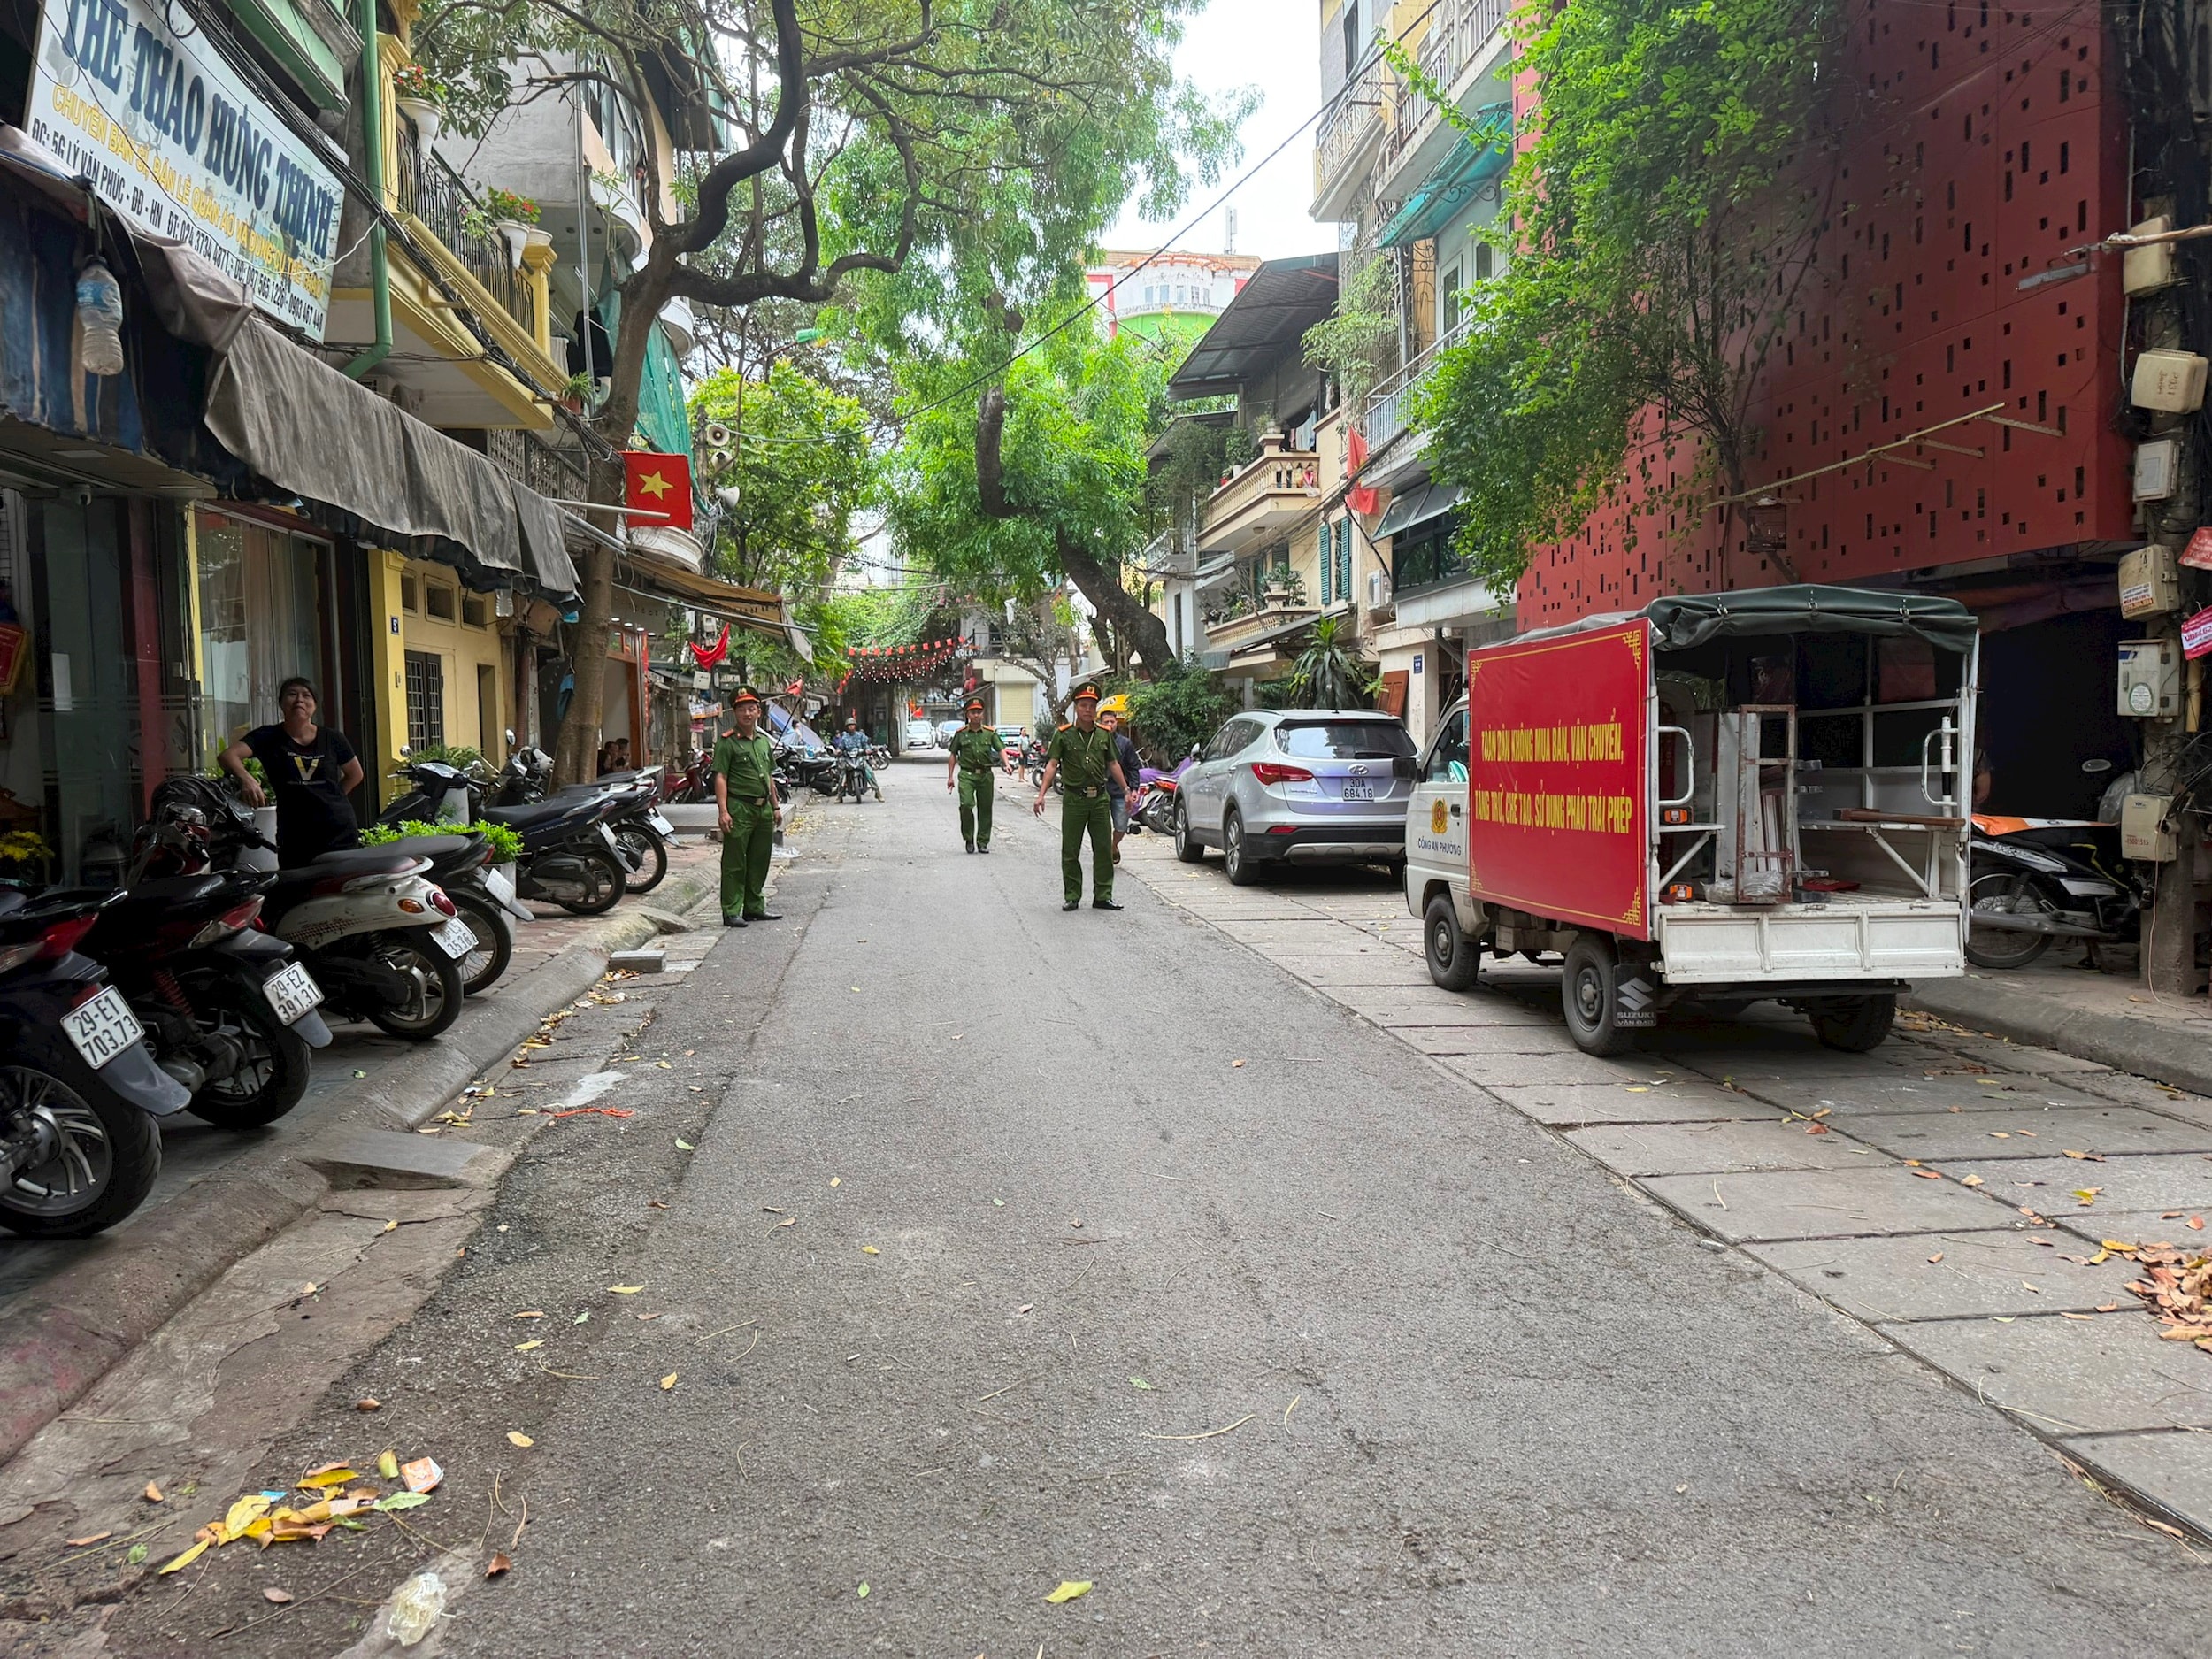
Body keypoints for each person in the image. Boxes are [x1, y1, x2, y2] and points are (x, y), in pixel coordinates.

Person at [222, 676, 365, 867]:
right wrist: (246, 779)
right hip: (295, 832)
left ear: (315, 705)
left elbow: (355, 774)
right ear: (281, 703)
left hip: (338, 830)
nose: (299, 700)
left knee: (340, 883)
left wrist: (333, 797)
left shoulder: (332, 738)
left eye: (306, 695)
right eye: (292, 694)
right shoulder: (268, 737)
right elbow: (228, 755)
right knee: (298, 883)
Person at [1033, 682, 1126, 911]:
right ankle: (1072, 895)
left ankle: (1103, 895)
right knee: (1070, 849)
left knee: (1103, 848)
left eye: (1092, 706)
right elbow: (1052, 764)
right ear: (1076, 707)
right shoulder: (1064, 735)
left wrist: (1126, 790)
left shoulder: (1104, 734)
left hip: (1099, 799)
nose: (1088, 710)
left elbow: (1113, 763)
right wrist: (1041, 794)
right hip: (1074, 799)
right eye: (1084, 705)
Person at [712, 687, 783, 927]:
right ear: (735, 713)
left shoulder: (763, 742)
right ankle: (731, 910)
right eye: (742, 709)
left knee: (760, 859)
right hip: (739, 807)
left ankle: (754, 907)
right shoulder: (727, 742)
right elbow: (720, 777)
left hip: (763, 809)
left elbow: (769, 776)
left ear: (758, 712)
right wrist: (723, 811)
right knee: (735, 861)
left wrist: (775, 806)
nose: (747, 714)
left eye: (751, 709)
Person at [944, 696, 1006, 853]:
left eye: (979, 712)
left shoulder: (990, 733)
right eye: (973, 712)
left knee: (985, 809)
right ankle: (969, 838)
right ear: (967, 714)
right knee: (966, 805)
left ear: (983, 714)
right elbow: (953, 754)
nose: (976, 715)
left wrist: (1007, 763)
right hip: (967, 774)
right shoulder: (961, 734)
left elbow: (1000, 748)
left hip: (985, 775)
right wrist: (950, 777)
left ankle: (983, 841)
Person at [1100, 705, 1142, 864]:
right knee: (1101, 827)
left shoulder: (1125, 743)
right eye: (1106, 722)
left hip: (1120, 792)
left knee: (1121, 826)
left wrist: (1134, 789)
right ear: (1100, 723)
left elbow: (1133, 767)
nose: (1110, 724)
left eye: (1112, 721)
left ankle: (1113, 845)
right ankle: (1104, 853)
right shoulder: (1095, 741)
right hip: (1101, 791)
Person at [833, 713, 880, 801]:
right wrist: (838, 751)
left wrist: (868, 750)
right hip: (848, 759)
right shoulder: (844, 738)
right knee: (842, 775)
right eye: (849, 725)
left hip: (860, 757)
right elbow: (841, 747)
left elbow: (866, 744)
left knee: (869, 772)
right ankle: (840, 796)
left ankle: (877, 792)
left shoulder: (860, 736)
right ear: (847, 727)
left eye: (852, 725)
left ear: (855, 726)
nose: (851, 727)